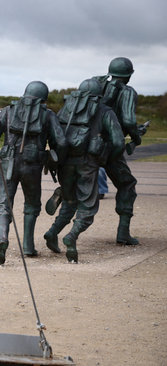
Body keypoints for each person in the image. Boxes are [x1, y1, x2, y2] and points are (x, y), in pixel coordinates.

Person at [43, 79, 125, 262]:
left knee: (69, 201)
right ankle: (71, 236)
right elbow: (119, 142)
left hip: (65, 163)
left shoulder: (66, 108)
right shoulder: (104, 111)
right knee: (87, 206)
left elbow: (54, 136)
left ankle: (52, 232)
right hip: (88, 163)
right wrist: (107, 159)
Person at [0, 81, 67, 264]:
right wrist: (52, 159)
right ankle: (28, 246)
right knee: (31, 204)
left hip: (8, 164)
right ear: (43, 99)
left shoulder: (8, 110)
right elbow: (61, 143)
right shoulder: (47, 115)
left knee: (2, 205)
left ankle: (2, 239)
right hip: (33, 164)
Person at [93, 57, 148, 244]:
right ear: (129, 76)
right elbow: (129, 122)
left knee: (78, 186)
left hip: (87, 144)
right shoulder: (128, 92)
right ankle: (123, 232)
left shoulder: (96, 85)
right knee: (127, 185)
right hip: (110, 147)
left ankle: (55, 230)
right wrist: (137, 137)